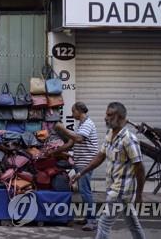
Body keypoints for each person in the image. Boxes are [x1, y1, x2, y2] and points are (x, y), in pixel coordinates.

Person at [71, 102, 146, 239]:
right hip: (115, 189)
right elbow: (100, 156)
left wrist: (140, 194)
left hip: (120, 192)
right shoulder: (110, 134)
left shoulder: (129, 139)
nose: (105, 118)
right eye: (106, 114)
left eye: (110, 115)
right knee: (133, 225)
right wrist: (81, 173)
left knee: (103, 224)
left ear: (121, 117)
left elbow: (140, 168)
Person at [52, 102, 99, 231]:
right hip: (81, 162)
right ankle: (88, 217)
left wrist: (62, 128)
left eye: (73, 112)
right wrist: (55, 151)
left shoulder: (88, 124)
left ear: (79, 111)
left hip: (86, 163)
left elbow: (78, 139)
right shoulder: (82, 124)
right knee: (84, 191)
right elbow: (71, 143)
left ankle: (92, 221)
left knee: (85, 191)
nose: (72, 115)